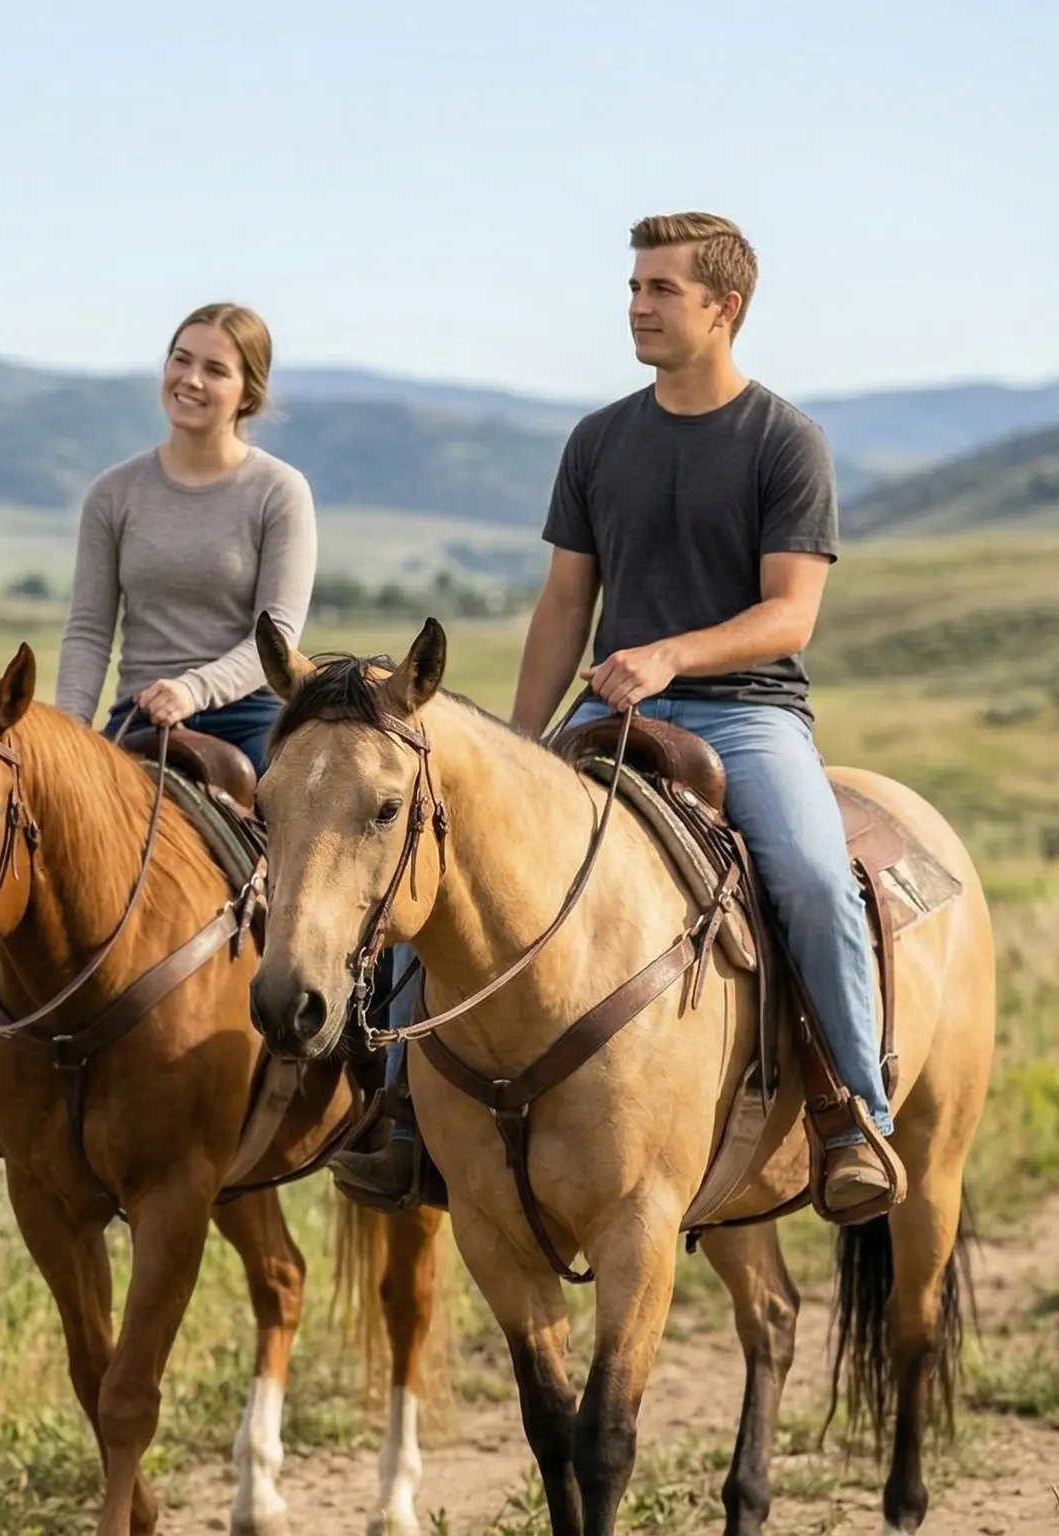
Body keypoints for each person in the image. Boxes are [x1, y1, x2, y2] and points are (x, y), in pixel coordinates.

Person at [327, 211, 897, 1214]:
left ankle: (852, 1115)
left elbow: (788, 614)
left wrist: (670, 652)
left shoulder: (784, 442)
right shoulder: (599, 441)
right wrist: (513, 742)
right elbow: (563, 604)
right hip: (608, 716)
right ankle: (397, 1112)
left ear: (724, 309)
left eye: (659, 290)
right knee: (447, 855)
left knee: (810, 878)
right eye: (633, 287)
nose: (636, 305)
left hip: (745, 716)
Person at [0, 301, 315, 1154]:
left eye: (215, 369)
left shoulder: (278, 492)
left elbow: (276, 638)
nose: (191, 380)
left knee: (310, 880)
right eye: (181, 359)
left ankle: (337, 1060)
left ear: (249, 392)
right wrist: (62, 738)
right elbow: (90, 629)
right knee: (19, 870)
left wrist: (197, 690)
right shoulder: (117, 493)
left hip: (246, 719)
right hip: (132, 725)